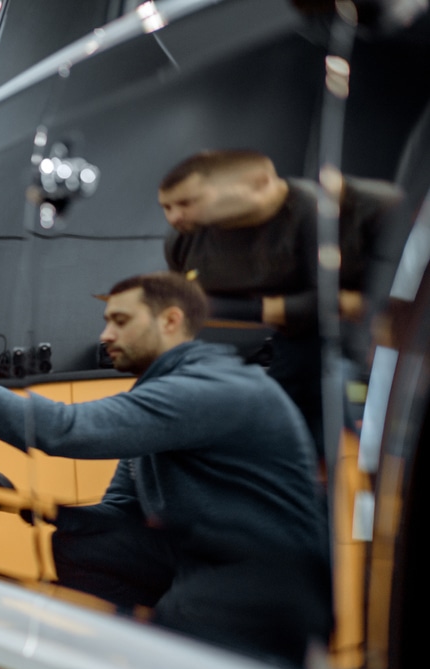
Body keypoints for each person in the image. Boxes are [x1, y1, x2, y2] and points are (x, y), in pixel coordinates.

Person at [0, 272, 333, 669]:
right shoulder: (160, 390)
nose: (105, 335)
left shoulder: (207, 388)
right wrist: (21, 505)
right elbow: (119, 517)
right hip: (201, 570)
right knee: (50, 547)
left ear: (171, 321)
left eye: (121, 321)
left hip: (260, 589)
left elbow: (65, 430)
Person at [157, 149, 400, 453]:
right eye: (166, 207)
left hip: (370, 353)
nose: (174, 217)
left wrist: (287, 307)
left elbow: (352, 303)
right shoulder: (187, 241)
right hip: (294, 350)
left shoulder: (341, 211)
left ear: (259, 183)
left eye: (186, 203)